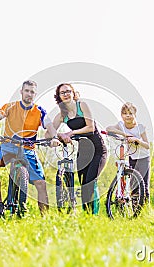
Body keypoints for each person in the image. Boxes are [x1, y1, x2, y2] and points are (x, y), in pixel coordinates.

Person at [0, 80, 59, 218]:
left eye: (32, 92)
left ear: (35, 94)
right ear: (21, 92)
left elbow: (49, 126)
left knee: (41, 184)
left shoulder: (39, 111)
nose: (29, 94)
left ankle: (45, 219)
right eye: (27, 91)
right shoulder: (10, 107)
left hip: (28, 149)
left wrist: (54, 138)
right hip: (8, 146)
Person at [52, 83, 107, 215]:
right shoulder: (62, 115)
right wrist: (58, 136)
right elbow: (50, 131)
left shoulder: (82, 105)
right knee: (83, 185)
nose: (65, 94)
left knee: (90, 181)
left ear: (73, 93)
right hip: (83, 152)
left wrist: (70, 133)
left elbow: (91, 127)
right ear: (59, 97)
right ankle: (87, 216)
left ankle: (94, 215)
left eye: (68, 91)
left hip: (98, 149)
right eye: (62, 93)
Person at [106, 102, 151, 204]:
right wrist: (125, 134)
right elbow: (108, 128)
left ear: (135, 115)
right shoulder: (121, 125)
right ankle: (136, 209)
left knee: (144, 184)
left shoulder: (140, 127)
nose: (127, 115)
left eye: (130, 113)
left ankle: (145, 210)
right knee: (134, 185)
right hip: (132, 158)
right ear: (122, 115)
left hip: (143, 158)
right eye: (125, 113)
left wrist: (137, 140)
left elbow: (147, 146)